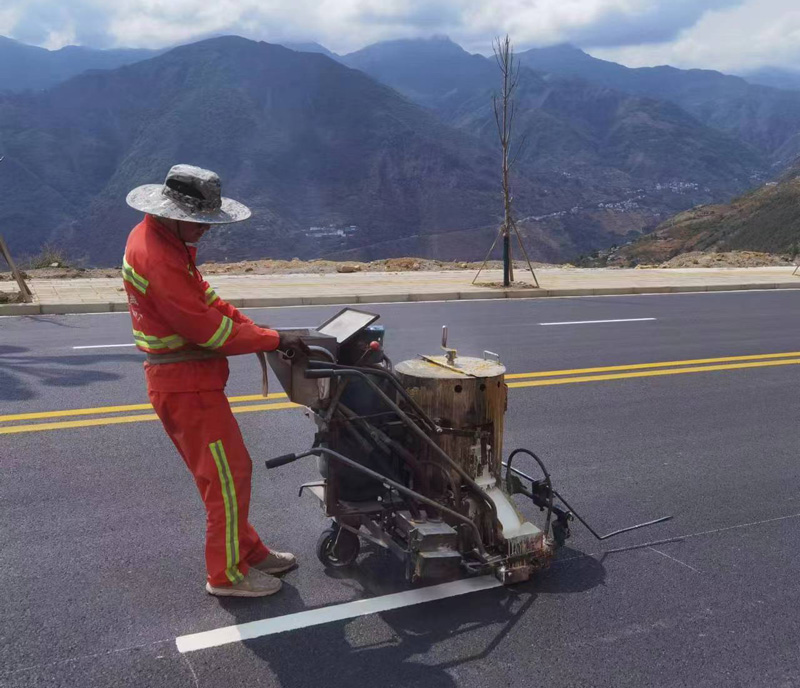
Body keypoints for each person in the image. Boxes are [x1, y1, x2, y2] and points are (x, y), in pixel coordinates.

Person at [123, 164, 300, 598]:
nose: (204, 230)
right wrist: (272, 338)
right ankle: (226, 576)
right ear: (173, 212)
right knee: (226, 475)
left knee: (228, 472)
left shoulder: (163, 237)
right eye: (199, 221)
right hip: (185, 386)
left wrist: (255, 328)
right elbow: (209, 330)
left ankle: (249, 550)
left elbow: (205, 297)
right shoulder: (160, 257)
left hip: (190, 381)